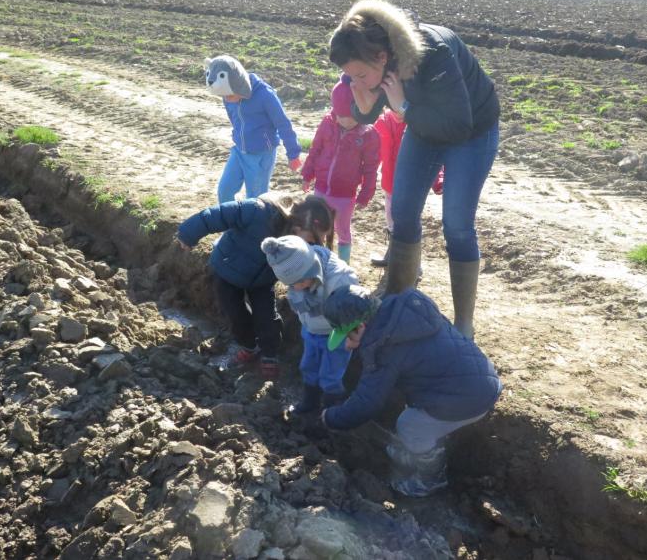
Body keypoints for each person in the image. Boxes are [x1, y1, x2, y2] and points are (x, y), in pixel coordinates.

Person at [329, 0, 501, 337]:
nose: (357, 80)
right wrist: (362, 100)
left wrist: (404, 108)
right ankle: (397, 302)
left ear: (382, 57)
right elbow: (368, 108)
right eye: (351, 76)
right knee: (404, 211)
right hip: (423, 122)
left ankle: (463, 323)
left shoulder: (432, 51)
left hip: (471, 129)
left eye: (360, 74)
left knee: (457, 225)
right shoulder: (374, 57)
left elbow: (458, 126)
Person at [320, 284, 502, 497]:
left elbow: (366, 403)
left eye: (347, 337)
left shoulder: (383, 347)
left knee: (410, 425)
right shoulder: (402, 314)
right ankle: (420, 444)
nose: (346, 345)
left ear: (360, 327)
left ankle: (430, 478)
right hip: (479, 379)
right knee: (407, 402)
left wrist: (331, 418)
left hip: (470, 399)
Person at [177, 193, 294, 379]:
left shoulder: (294, 230)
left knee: (266, 316)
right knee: (234, 311)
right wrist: (188, 234)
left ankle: (270, 353)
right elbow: (216, 216)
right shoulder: (255, 210)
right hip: (227, 269)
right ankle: (249, 344)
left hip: (262, 279)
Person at [261, 235, 359, 413]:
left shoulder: (340, 280)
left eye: (301, 282)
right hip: (310, 329)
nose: (297, 288)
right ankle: (310, 402)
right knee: (308, 367)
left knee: (330, 375)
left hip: (336, 333)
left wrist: (353, 335)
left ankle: (332, 410)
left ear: (312, 269)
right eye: (291, 285)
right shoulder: (297, 276)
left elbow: (355, 310)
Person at [301, 74, 380, 264]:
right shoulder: (327, 123)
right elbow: (315, 149)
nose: (345, 121)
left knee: (343, 230)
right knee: (316, 225)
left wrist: (366, 193)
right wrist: (307, 174)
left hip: (345, 195)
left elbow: (371, 168)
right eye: (341, 116)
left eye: (351, 117)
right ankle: (316, 259)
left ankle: (343, 264)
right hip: (321, 188)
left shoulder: (368, 135)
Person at [204, 55, 303, 204]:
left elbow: (283, 123)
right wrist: (237, 135)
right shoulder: (227, 93)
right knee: (224, 191)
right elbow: (235, 119)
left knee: (256, 201)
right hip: (239, 151)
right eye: (223, 96)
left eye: (230, 95)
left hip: (261, 154)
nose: (227, 99)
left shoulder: (265, 95)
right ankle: (232, 223)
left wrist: (293, 153)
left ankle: (255, 226)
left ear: (239, 84)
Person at [371, 109, 443, 267]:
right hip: (389, 182)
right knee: (391, 217)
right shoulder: (382, 123)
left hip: (410, 184)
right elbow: (374, 153)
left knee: (409, 220)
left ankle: (413, 264)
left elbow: (431, 155)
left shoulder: (417, 124)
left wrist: (438, 180)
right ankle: (392, 253)